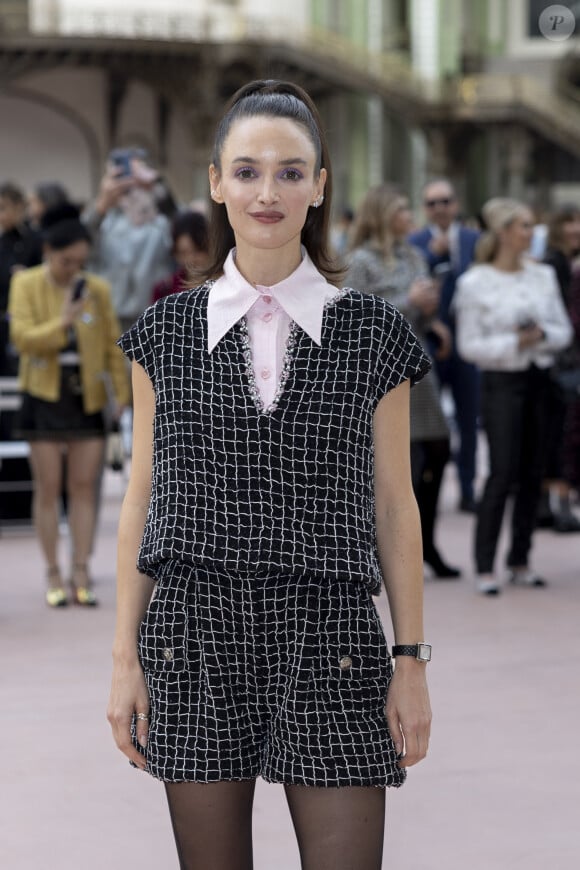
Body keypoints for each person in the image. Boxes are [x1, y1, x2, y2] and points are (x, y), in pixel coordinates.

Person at [108, 79, 432, 870]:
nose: (267, 190)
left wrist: (411, 661)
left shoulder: (372, 334)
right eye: (246, 170)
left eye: (291, 171)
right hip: (192, 633)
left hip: (333, 634)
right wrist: (124, 660)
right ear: (215, 181)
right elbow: (143, 496)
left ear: (320, 187)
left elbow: (395, 504)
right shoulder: (165, 332)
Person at [8, 204, 130, 607]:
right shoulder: (26, 284)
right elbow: (23, 339)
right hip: (43, 393)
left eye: (79, 262)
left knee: (82, 488)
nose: (72, 269)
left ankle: (81, 568)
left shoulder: (97, 289)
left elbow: (114, 344)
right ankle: (52, 572)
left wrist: (121, 394)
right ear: (47, 252)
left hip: (86, 395)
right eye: (65, 261)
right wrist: (63, 322)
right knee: (48, 488)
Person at [454, 198, 572, 596]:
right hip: (502, 384)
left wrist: (541, 337)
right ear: (503, 232)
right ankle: (485, 565)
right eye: (523, 226)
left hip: (540, 380)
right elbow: (469, 346)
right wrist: (514, 342)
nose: (530, 233)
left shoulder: (541, 276)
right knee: (502, 472)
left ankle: (520, 559)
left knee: (533, 472)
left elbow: (563, 331)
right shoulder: (476, 282)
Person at [346, 183, 460, 579]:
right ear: (382, 215)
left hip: (419, 368)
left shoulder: (413, 255)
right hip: (381, 373)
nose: (410, 217)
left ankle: (426, 543)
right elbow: (354, 319)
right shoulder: (359, 261)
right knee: (400, 467)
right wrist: (411, 301)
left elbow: (420, 314)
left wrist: (432, 314)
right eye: (402, 210)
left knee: (439, 451)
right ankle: (387, 553)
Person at [409, 178, 480, 512]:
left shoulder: (473, 240)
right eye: (431, 203)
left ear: (456, 203)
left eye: (445, 201)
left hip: (467, 342)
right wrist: (428, 254)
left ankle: (467, 489)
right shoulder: (415, 243)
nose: (439, 208)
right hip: (428, 342)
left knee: (468, 418)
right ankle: (426, 494)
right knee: (431, 423)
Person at [83, 148, 174, 333]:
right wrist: (101, 205)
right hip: (108, 318)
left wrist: (158, 188)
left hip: (155, 318)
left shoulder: (160, 220)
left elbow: (186, 238)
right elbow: (80, 246)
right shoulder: (103, 220)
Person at [538, 205, 580, 531]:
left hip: (570, 357)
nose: (575, 228)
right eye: (569, 222)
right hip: (561, 360)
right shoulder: (553, 263)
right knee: (562, 435)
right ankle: (555, 503)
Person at [0, 182, 43, 376]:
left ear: (19, 207)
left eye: (3, 208)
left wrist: (27, 276)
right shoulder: (3, 240)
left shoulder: (35, 239)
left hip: (25, 317)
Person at [151, 210, 210, 303]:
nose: (191, 259)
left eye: (198, 250)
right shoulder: (164, 291)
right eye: (184, 253)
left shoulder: (226, 285)